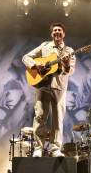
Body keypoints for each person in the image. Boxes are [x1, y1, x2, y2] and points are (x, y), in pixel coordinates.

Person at [22, 23, 75, 157]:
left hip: (59, 87)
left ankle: (55, 148)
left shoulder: (69, 51)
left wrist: (67, 65)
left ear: (63, 34)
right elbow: (25, 57)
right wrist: (35, 65)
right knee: (40, 116)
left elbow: (70, 71)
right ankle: (38, 148)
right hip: (42, 86)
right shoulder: (44, 46)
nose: (57, 32)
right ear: (52, 34)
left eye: (60, 30)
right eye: (55, 30)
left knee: (58, 119)